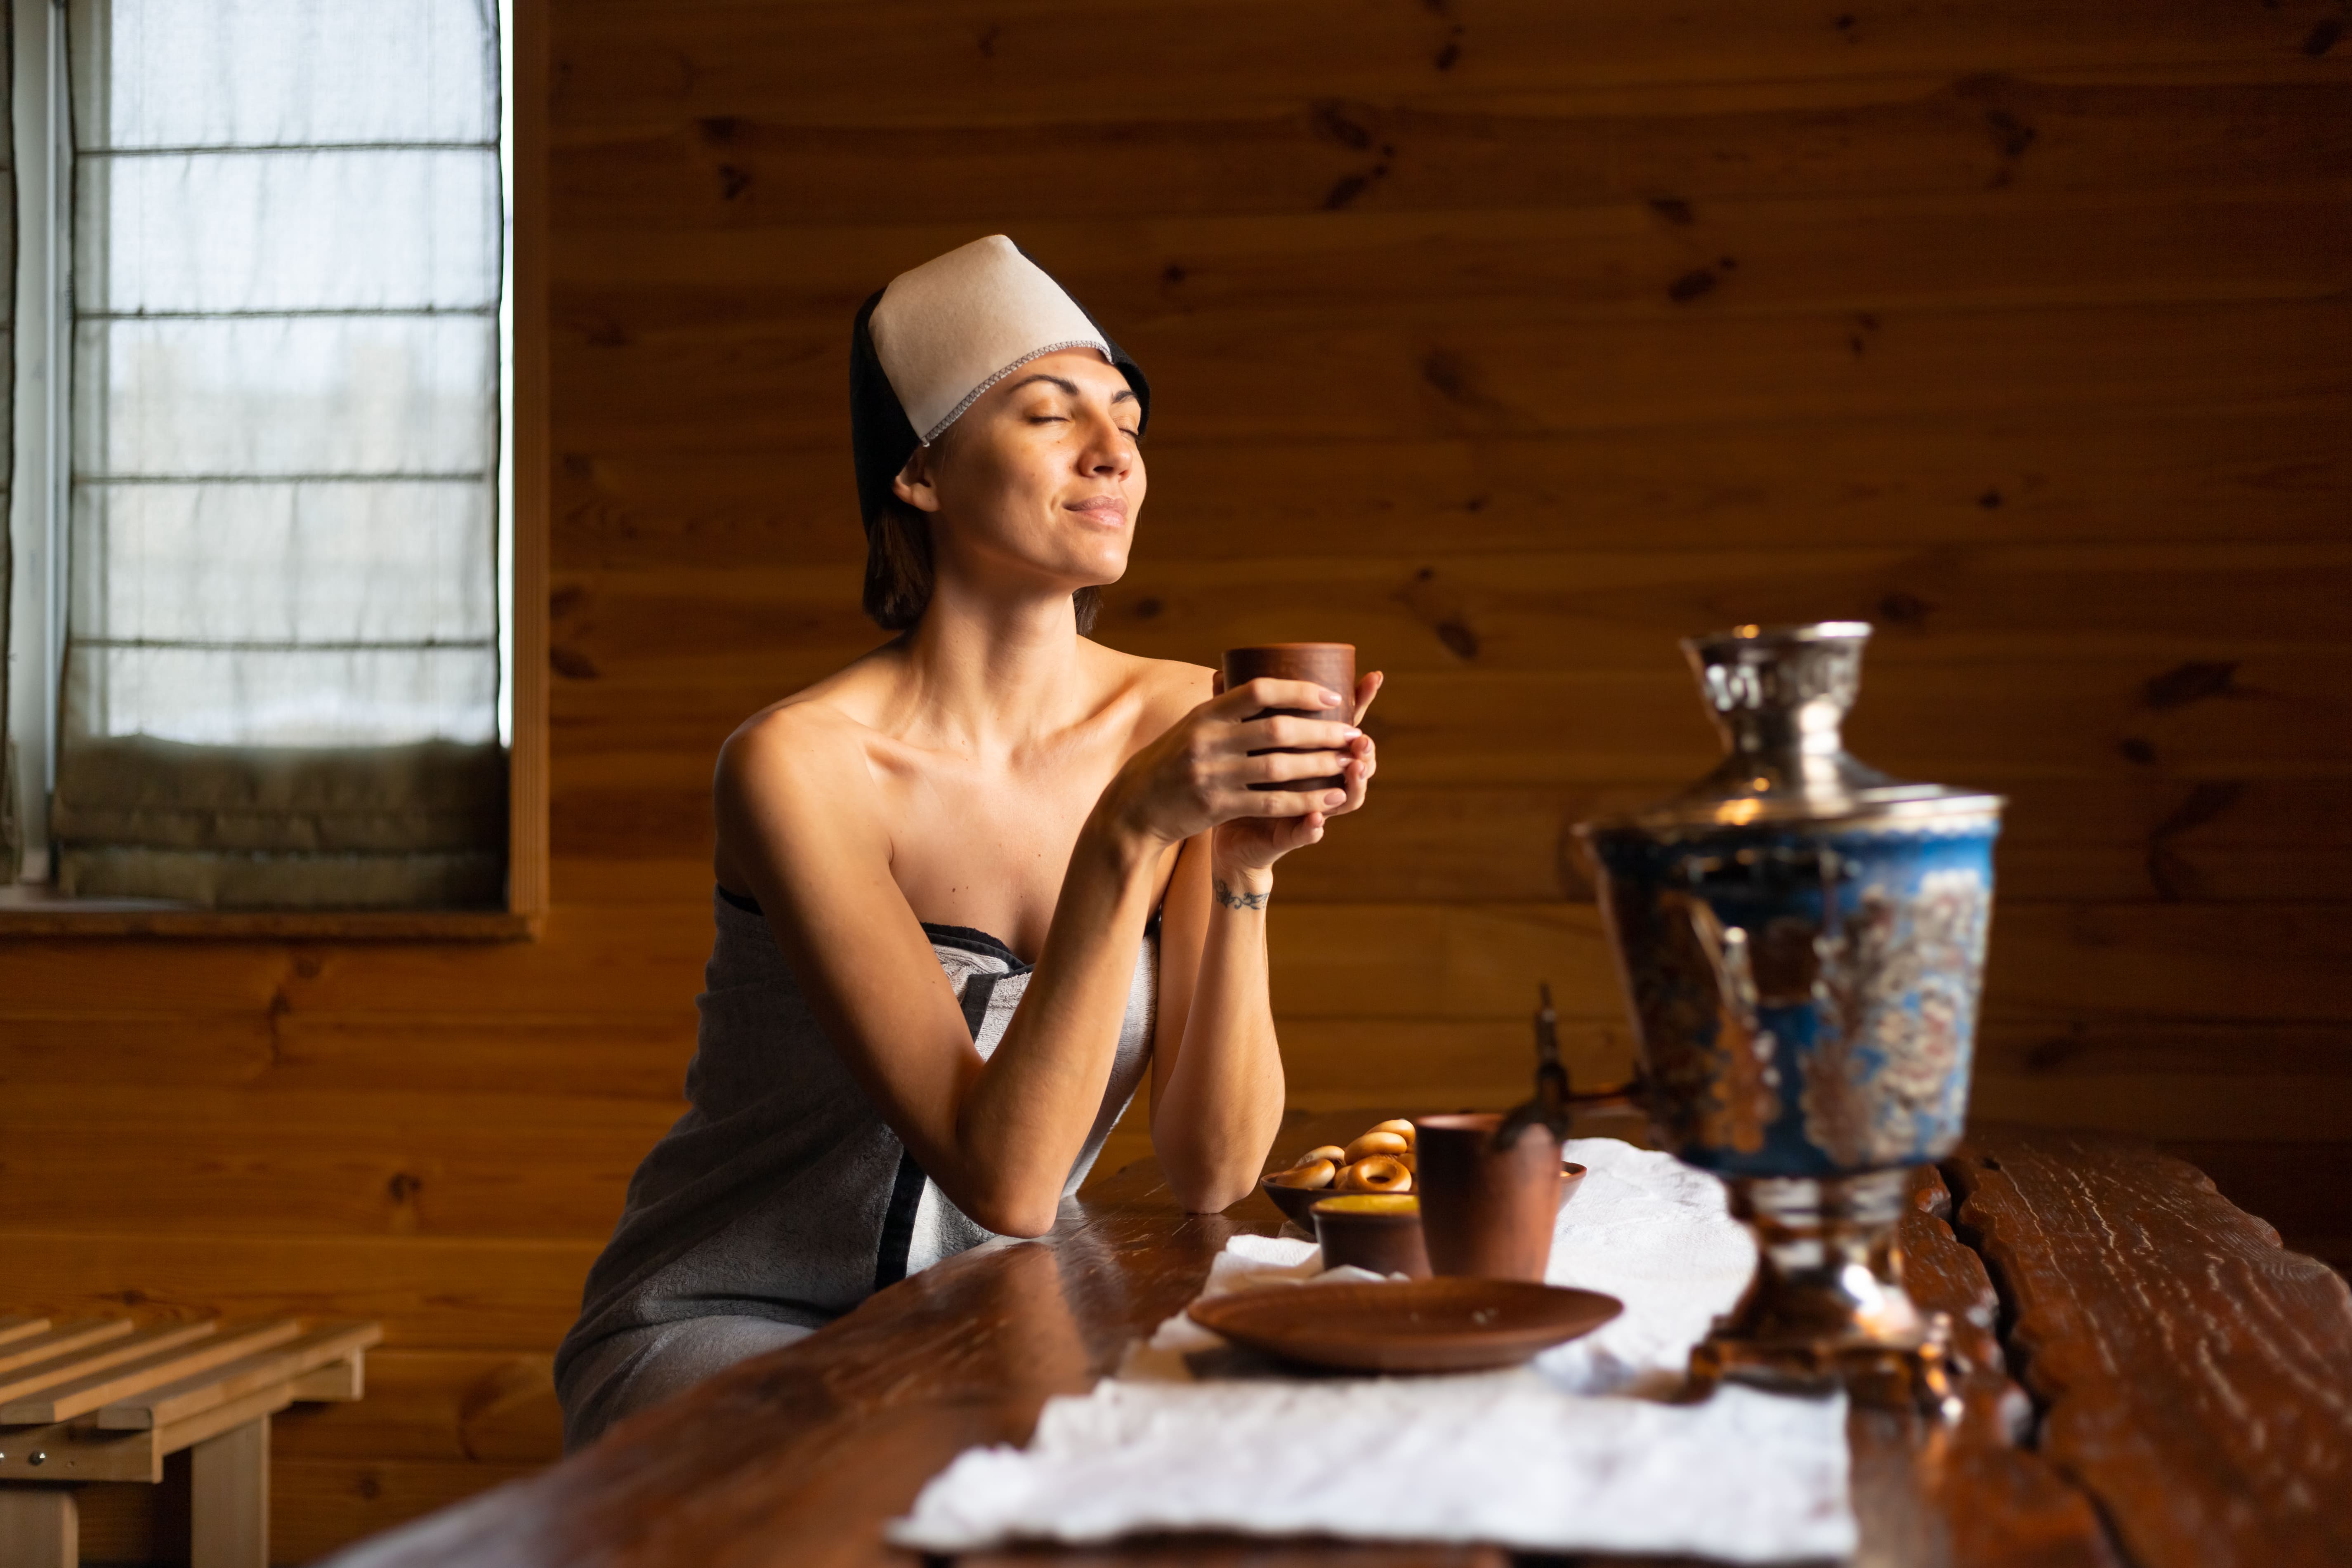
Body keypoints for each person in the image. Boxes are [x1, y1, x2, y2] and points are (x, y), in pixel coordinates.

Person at [554, 236, 1380, 1449]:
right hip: (743, 1318)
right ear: (922, 474)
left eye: (1129, 422)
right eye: (1050, 415)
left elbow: (1211, 1171)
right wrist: (1133, 829)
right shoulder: (802, 764)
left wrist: (1245, 871)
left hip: (995, 1307)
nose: (1114, 454)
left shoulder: (1172, 718)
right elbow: (1004, 1177)